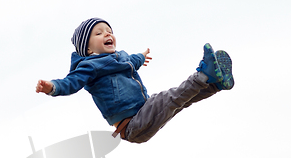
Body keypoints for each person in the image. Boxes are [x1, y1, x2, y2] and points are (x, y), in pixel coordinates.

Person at [35, 17, 234, 144]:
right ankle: (204, 75)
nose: (107, 33)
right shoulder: (89, 66)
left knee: (179, 101)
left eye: (109, 30)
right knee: (169, 98)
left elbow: (131, 61)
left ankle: (215, 84)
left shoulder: (120, 57)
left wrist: (141, 56)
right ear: (88, 50)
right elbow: (70, 82)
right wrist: (52, 87)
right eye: (98, 33)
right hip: (132, 125)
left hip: (142, 113)